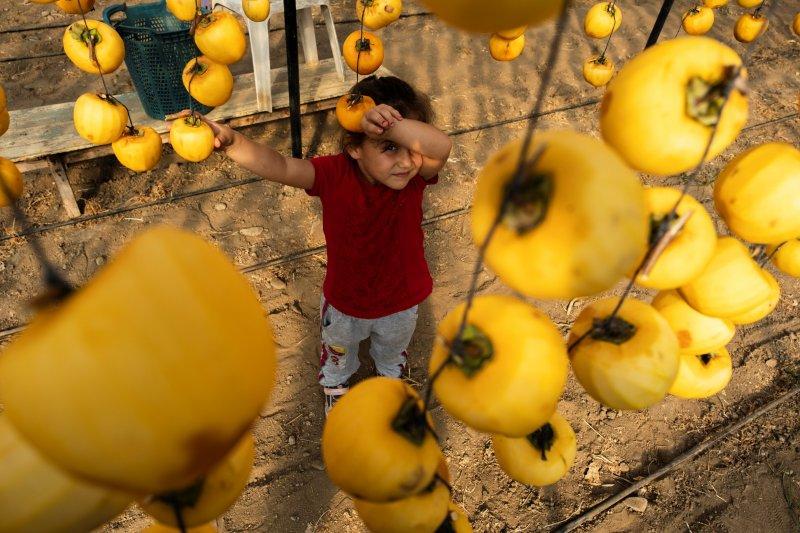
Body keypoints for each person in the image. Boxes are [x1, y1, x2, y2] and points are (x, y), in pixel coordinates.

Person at [186, 75, 452, 414]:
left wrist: (390, 128)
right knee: (340, 349)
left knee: (392, 348)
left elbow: (440, 147)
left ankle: (389, 380)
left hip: (402, 298)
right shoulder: (333, 174)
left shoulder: (415, 180)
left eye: (412, 148)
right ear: (354, 147)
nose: (405, 161)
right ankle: (336, 384)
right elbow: (281, 166)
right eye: (388, 147)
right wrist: (234, 142)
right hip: (346, 299)